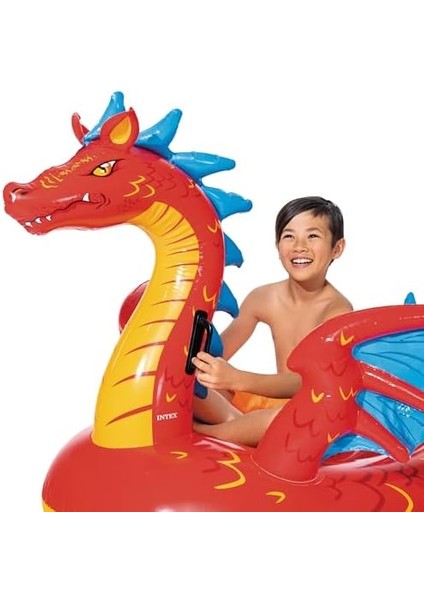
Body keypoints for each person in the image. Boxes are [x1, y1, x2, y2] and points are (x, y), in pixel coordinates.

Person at [192, 196, 353, 447]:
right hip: (266, 405)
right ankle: (238, 426)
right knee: (191, 385)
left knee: (287, 418)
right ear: (277, 246)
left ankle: (205, 432)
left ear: (337, 248)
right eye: (289, 236)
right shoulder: (263, 298)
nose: (299, 246)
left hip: (306, 409)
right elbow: (219, 354)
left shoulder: (338, 311)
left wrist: (238, 378)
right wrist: (201, 366)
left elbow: (309, 382)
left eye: (312, 236)